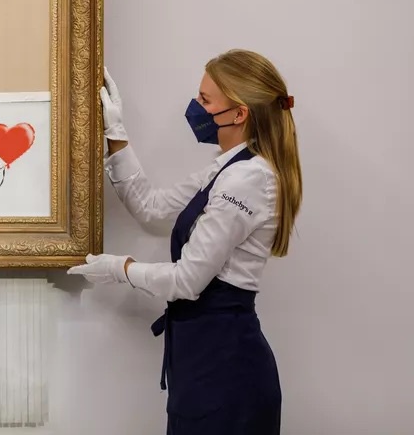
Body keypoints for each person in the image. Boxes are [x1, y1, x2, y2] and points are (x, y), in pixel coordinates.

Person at [68, 49, 301, 435]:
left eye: (206, 101)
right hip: (201, 360)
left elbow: (187, 281)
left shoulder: (247, 179)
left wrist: (120, 268)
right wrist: (116, 134)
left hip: (227, 371)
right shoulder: (227, 167)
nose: (196, 108)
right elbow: (152, 206)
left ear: (240, 113)